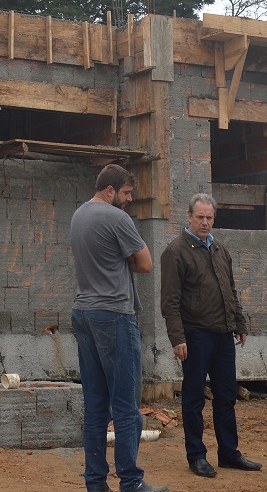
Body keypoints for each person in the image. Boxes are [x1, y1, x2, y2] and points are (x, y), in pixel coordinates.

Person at [70, 164, 165, 492]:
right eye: (126, 193)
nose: (128, 200)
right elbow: (146, 263)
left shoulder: (78, 216)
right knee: (126, 408)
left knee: (95, 405)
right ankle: (131, 483)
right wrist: (120, 258)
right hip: (114, 315)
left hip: (83, 313)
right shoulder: (116, 218)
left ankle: (95, 483)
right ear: (110, 190)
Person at [159, 193, 263, 477]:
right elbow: (169, 301)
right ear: (189, 216)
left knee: (226, 396)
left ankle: (229, 453)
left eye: (209, 217)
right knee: (193, 397)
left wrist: (239, 324)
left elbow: (230, 290)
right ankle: (196, 456)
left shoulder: (219, 249)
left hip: (222, 334)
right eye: (200, 217)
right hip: (195, 336)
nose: (205, 222)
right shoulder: (175, 251)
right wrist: (177, 337)